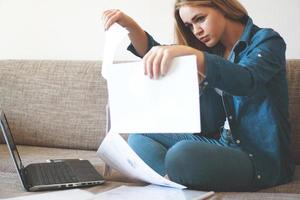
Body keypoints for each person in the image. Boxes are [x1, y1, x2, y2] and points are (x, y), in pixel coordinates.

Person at [102, 0, 295, 191]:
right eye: (189, 25)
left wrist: (196, 57)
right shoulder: (212, 51)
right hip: (221, 143)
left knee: (181, 154)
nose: (196, 31)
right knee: (139, 137)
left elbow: (246, 80)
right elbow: (157, 53)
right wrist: (130, 26)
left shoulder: (267, 41)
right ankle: (174, 182)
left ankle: (176, 175)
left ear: (222, 6)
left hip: (260, 158)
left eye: (200, 19)